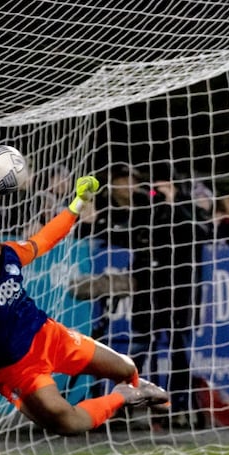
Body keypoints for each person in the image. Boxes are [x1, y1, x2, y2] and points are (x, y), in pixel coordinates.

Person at [0, 175, 170, 436]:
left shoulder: (9, 254)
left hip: (50, 335)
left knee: (127, 368)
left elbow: (45, 239)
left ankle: (138, 388)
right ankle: (123, 397)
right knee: (68, 424)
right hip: (17, 369)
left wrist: (77, 204)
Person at [89, 162, 207, 429]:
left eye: (165, 185)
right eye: (156, 185)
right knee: (139, 346)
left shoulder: (190, 210)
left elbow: (200, 233)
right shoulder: (146, 209)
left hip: (179, 291)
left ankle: (179, 407)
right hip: (148, 288)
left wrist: (174, 203)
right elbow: (128, 236)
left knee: (178, 349)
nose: (158, 190)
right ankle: (123, 405)